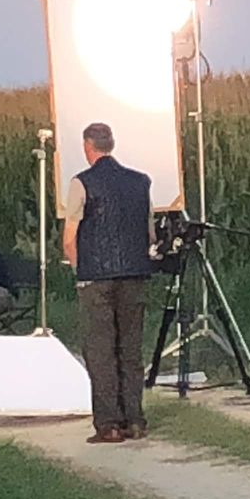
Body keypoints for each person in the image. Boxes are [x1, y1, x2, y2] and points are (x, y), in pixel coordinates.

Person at [62, 122, 156, 444]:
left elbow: (69, 239)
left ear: (89, 146)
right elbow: (149, 233)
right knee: (130, 349)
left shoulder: (82, 183)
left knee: (100, 352)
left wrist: (79, 272)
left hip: (96, 277)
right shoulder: (140, 182)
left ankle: (109, 425)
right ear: (112, 145)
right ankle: (135, 419)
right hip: (134, 274)